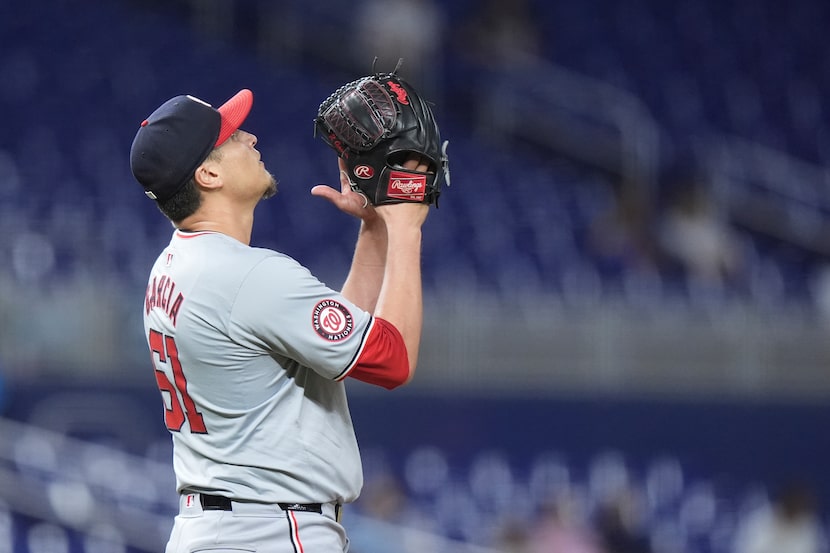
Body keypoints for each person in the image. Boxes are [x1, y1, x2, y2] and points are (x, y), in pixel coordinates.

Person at [129, 89, 432, 552]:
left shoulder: (173, 266)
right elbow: (391, 360)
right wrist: (406, 226)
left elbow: (330, 346)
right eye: (232, 136)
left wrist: (374, 228)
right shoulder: (248, 276)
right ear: (208, 173)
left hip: (215, 529)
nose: (250, 137)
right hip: (268, 529)